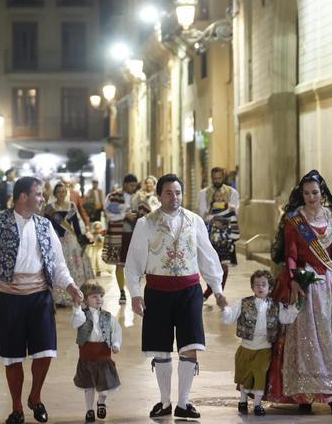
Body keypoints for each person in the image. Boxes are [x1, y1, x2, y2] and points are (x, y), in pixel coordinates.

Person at [0, 176, 83, 424]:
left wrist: (71, 286)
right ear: (23, 196)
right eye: (39, 194)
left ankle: (35, 397)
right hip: (8, 298)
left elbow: (57, 263)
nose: (43, 198)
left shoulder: (45, 225)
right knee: (12, 356)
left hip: (40, 298)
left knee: (45, 352)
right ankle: (17, 409)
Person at [266, 169, 332, 412]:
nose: (311, 197)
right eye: (306, 193)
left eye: (314, 192)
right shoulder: (294, 219)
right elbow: (291, 254)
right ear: (301, 194)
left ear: (322, 192)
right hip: (308, 283)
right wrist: (294, 280)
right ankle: (304, 394)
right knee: (308, 340)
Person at [125, 173, 227, 419]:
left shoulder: (195, 221)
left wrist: (218, 288)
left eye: (178, 192)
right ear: (159, 196)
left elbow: (207, 255)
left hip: (189, 292)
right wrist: (136, 295)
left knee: (190, 345)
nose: (175, 197)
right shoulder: (145, 223)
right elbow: (134, 263)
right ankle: (164, 401)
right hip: (157, 293)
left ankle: (184, 402)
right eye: (169, 193)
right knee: (160, 348)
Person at [220, 270, 298, 416]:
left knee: (260, 375)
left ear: (270, 288)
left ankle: (257, 404)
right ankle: (242, 400)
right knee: (244, 377)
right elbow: (229, 318)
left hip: (264, 348)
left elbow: (286, 319)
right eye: (257, 284)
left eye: (263, 285)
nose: (260, 287)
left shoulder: (276, 305)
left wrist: (295, 307)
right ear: (252, 287)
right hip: (246, 347)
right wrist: (224, 308)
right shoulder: (244, 303)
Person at [71, 281, 121, 423]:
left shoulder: (108, 316)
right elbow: (75, 323)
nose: (99, 299)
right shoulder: (81, 315)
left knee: (104, 387)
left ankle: (101, 402)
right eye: (94, 296)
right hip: (86, 356)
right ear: (85, 300)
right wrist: (76, 306)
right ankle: (89, 410)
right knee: (88, 386)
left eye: (100, 296)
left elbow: (116, 330)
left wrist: (116, 343)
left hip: (103, 357)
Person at [45, 183, 94, 306]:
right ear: (55, 194)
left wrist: (82, 240)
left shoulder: (71, 206)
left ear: (66, 193)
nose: (61, 194)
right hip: (55, 240)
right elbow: (46, 227)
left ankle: (74, 294)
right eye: (58, 192)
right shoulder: (49, 208)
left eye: (63, 192)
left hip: (70, 240)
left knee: (73, 267)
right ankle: (58, 296)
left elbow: (76, 226)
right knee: (59, 267)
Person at [198, 167, 241, 301]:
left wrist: (223, 215)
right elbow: (202, 213)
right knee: (210, 265)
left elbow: (235, 212)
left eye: (219, 178)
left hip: (226, 236)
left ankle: (215, 293)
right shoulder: (204, 193)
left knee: (224, 265)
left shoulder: (232, 192)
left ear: (223, 177)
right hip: (210, 234)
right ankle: (213, 291)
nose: (217, 181)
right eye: (214, 178)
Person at [103, 174, 139, 304]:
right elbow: (109, 213)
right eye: (131, 185)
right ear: (125, 184)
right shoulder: (113, 197)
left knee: (135, 265)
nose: (133, 187)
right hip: (119, 235)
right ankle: (122, 292)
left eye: (135, 185)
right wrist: (125, 215)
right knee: (120, 264)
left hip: (135, 235)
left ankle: (135, 292)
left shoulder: (139, 197)